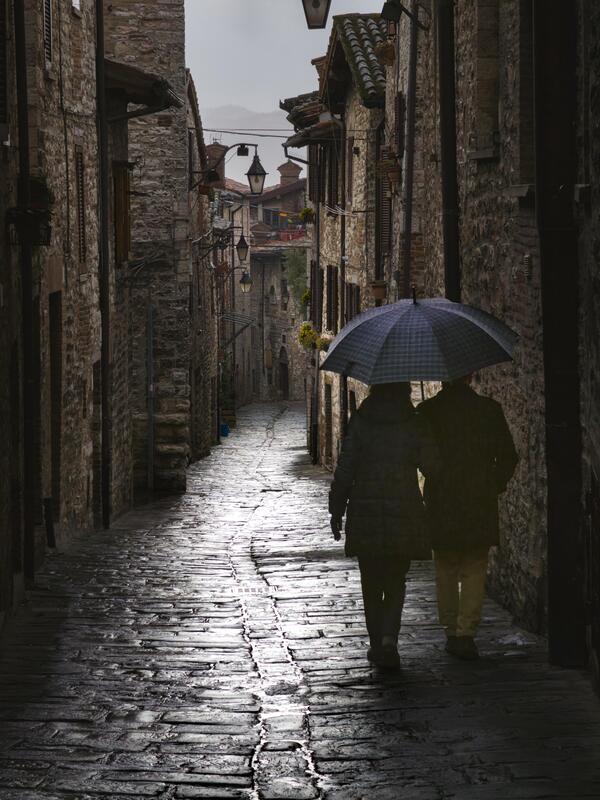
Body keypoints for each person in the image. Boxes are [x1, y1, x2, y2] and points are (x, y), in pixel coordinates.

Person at [329, 382, 439, 669]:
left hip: (365, 511)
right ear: (404, 390)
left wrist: (336, 509)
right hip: (403, 509)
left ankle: (376, 642)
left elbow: (345, 469)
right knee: (395, 578)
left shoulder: (362, 421)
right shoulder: (413, 422)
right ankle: (390, 638)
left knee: (370, 580)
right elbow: (432, 466)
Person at [419, 375, 518, 661]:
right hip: (479, 500)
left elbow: (421, 457)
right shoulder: (489, 410)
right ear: (470, 376)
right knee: (475, 566)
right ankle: (466, 633)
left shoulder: (428, 412)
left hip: (443, 501)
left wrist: (434, 478)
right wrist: (493, 484)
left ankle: (451, 630)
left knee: (446, 567)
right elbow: (509, 456)